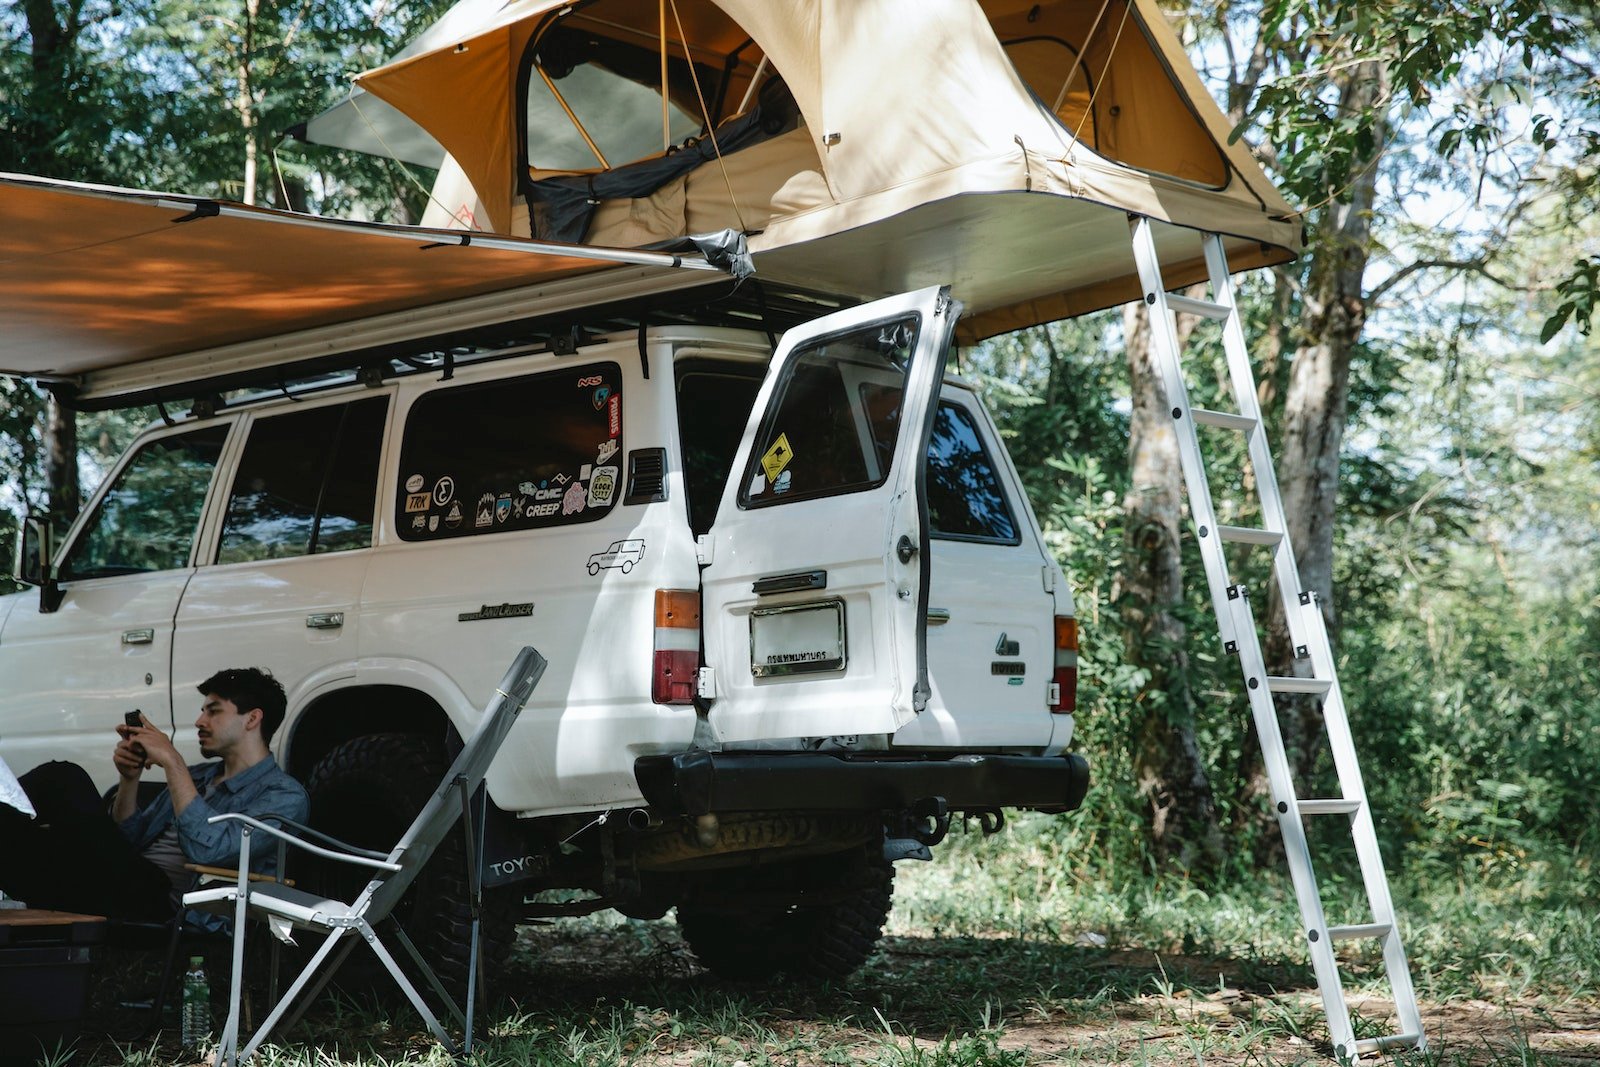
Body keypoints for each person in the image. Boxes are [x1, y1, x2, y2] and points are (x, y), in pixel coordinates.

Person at [0, 668, 308, 927]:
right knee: (14, 834)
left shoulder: (283, 796)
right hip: (120, 886)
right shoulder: (199, 776)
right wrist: (129, 779)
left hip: (170, 907)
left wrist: (172, 760)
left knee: (63, 777)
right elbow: (128, 840)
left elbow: (209, 852)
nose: (200, 721)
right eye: (202, 711)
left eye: (213, 711)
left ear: (252, 719)